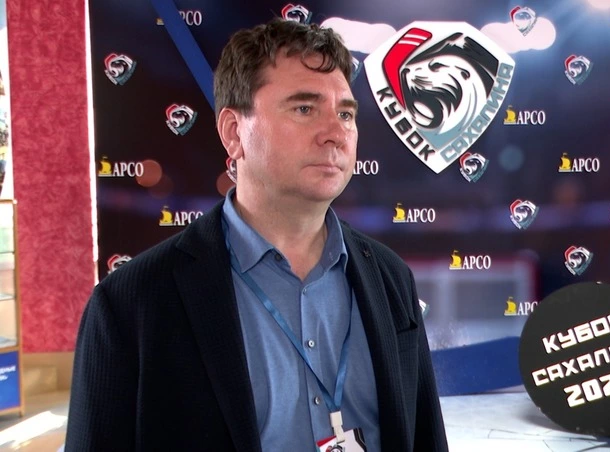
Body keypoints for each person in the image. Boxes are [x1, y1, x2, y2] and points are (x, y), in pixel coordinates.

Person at [66, 18, 448, 452]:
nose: (335, 133)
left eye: (345, 113)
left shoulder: (390, 279)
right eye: (304, 109)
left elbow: (424, 436)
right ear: (234, 132)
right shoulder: (131, 304)